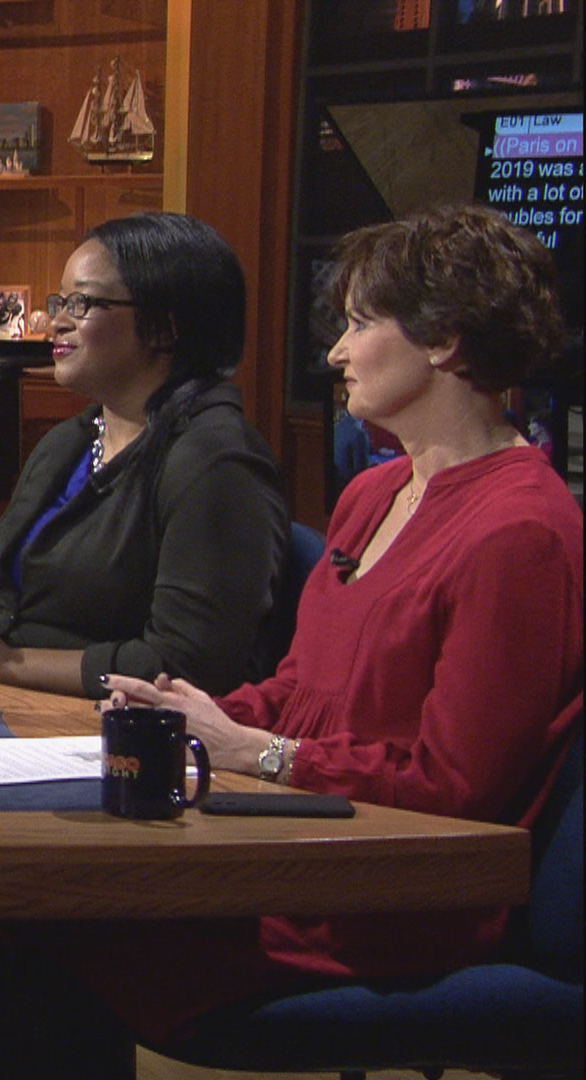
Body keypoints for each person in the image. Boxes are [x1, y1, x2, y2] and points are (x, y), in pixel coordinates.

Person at [90, 203, 583, 1048]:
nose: (335, 352)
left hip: (386, 895)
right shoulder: (373, 490)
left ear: (445, 340)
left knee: (55, 927)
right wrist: (199, 713)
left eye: (359, 323)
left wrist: (256, 753)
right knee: (21, 916)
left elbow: (452, 790)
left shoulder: (521, 533)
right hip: (301, 842)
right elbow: (301, 687)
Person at [0, 212, 288, 697]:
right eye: (60, 300)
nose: (57, 321)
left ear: (164, 327)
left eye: (82, 303)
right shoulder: (69, 440)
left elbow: (186, 665)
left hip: (119, 730)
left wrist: (6, 662)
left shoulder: (218, 463)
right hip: (10, 699)